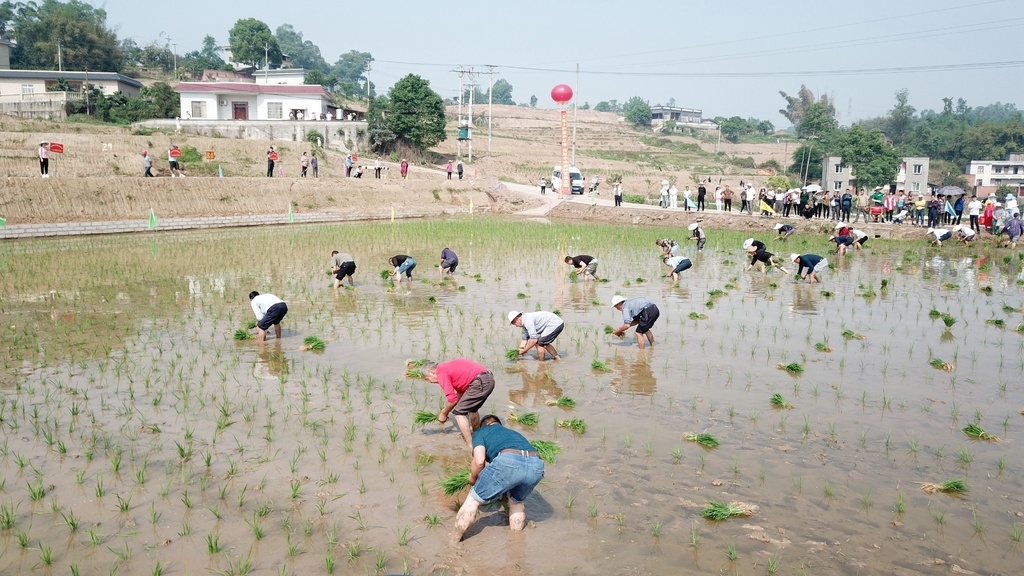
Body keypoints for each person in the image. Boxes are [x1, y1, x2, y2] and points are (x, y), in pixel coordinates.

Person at [449, 415, 545, 544]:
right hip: (536, 465)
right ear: (499, 424)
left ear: (484, 425)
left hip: (509, 461)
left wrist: (473, 479)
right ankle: (516, 545)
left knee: (472, 501)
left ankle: (453, 542)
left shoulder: (480, 433)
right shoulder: (512, 433)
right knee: (516, 502)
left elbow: (479, 461)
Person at [420, 359, 495, 449]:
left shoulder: (441, 372)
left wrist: (443, 413)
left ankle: (470, 445)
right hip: (487, 380)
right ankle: (477, 435)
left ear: (431, 372)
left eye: (428, 379)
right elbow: (459, 395)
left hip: (479, 382)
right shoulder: (448, 367)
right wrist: (452, 408)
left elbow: (452, 400)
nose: (431, 382)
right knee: (472, 409)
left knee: (459, 413)